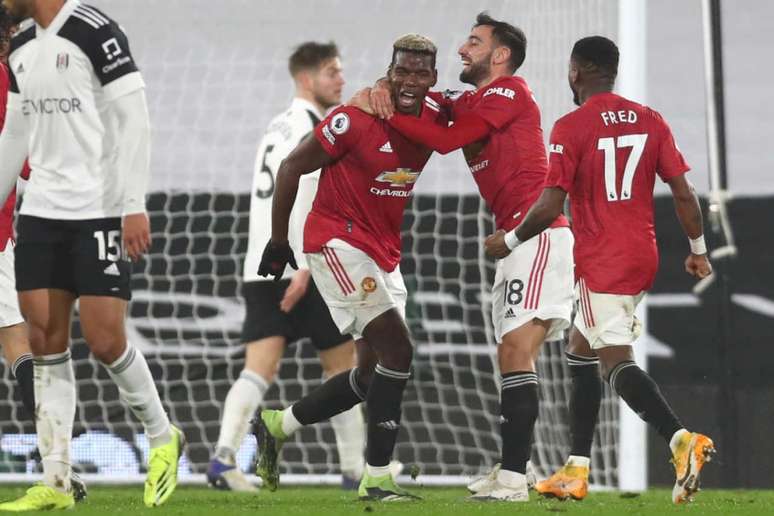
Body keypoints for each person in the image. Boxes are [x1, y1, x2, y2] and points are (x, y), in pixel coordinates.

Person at [484, 36, 716, 505]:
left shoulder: (571, 126)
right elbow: (685, 194)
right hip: (642, 255)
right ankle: (576, 468)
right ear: (613, 71)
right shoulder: (652, 121)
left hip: (600, 257)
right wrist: (697, 249)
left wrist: (507, 241)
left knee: (613, 359)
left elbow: (551, 203)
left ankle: (680, 439)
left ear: (576, 72)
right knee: (580, 347)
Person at [356, 13, 573, 502]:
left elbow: (448, 140)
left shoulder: (509, 91)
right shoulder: (471, 100)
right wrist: (380, 88)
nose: (462, 49)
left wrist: (393, 112)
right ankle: (513, 468)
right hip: (516, 239)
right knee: (509, 354)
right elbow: (425, 97)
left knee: (517, 352)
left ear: (500, 56)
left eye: (474, 42)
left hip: (536, 237)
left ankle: (516, 480)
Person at [0, 0, 183, 510]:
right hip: (40, 214)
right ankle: (56, 482)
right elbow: (15, 134)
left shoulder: (95, 30)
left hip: (99, 209)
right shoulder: (19, 44)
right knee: (45, 341)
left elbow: (135, 119)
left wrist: (133, 204)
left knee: (104, 341)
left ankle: (162, 435)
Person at [256, 34, 444, 501]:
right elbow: (291, 168)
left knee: (370, 374)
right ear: (390, 71)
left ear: (433, 80)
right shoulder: (355, 118)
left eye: (421, 73)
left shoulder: (439, 114)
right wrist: (280, 242)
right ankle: (376, 478)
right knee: (398, 351)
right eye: (402, 71)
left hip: (382, 250)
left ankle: (279, 425)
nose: (410, 81)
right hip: (336, 243)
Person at [207, 41, 368, 492]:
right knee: (343, 367)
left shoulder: (276, 124)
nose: (340, 79)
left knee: (259, 368)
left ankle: (223, 458)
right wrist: (302, 266)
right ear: (306, 78)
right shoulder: (309, 127)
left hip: (262, 265)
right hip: (302, 264)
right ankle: (356, 468)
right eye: (332, 71)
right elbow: (298, 192)